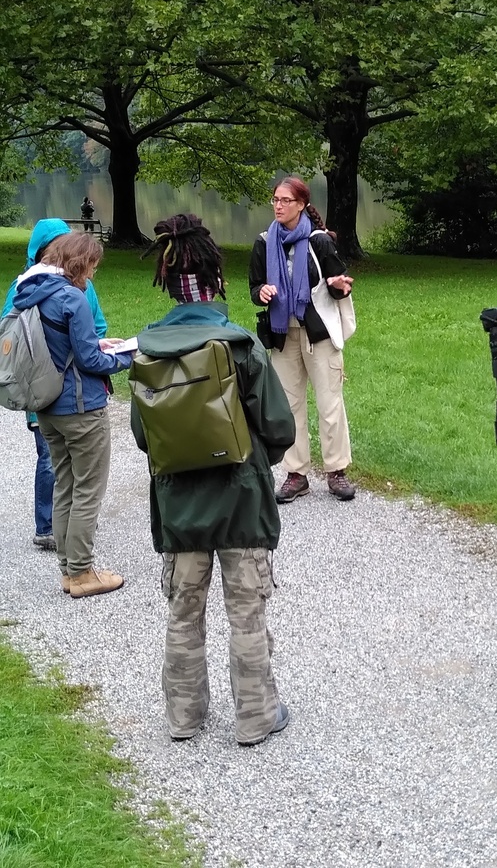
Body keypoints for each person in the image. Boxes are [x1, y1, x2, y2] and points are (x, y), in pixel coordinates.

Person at [131, 213, 295, 745]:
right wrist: (252, 461)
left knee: (183, 612)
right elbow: (279, 428)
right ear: (216, 279)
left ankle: (183, 717)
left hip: (179, 507)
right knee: (247, 614)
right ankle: (255, 717)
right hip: (241, 501)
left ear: (168, 282)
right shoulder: (240, 345)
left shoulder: (147, 351)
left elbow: (143, 435)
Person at [12, 232, 133, 598]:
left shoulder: (32, 290)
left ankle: (68, 570)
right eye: (92, 265)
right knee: (88, 490)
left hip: (47, 406)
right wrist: (127, 356)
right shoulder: (72, 297)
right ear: (79, 262)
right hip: (80, 408)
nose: (93, 273)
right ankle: (82, 573)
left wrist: (97, 343)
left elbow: (62, 344)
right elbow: (90, 361)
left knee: (65, 485)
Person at [1, 219, 110, 552]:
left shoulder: (79, 286)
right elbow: (12, 339)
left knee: (66, 473)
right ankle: (50, 528)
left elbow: (97, 326)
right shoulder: (24, 287)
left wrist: (88, 343)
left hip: (59, 390)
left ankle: (68, 536)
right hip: (50, 392)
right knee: (56, 464)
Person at [249, 177, 356, 503]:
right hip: (283, 335)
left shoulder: (319, 241)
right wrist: (261, 292)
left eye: (285, 200)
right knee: (289, 406)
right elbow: (255, 287)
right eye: (275, 200)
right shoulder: (264, 242)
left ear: (301, 205)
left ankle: (336, 471)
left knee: (329, 404)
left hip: (318, 335)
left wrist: (339, 285)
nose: (278, 206)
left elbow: (339, 283)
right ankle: (296, 474)